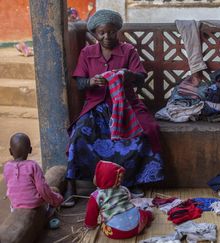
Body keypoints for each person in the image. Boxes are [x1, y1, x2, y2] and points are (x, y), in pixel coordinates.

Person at [64, 9, 164, 206]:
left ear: (117, 31)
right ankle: (71, 186)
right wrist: (92, 81)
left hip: (126, 104)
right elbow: (80, 83)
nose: (107, 36)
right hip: (97, 106)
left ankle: (132, 180)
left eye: (110, 32)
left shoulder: (128, 51)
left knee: (146, 130)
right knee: (79, 135)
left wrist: (128, 75)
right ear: (95, 34)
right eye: (101, 33)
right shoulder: (87, 53)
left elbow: (141, 80)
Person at [85, 160, 153, 239]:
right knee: (140, 212)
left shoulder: (95, 196)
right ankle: (148, 214)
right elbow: (128, 201)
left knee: (104, 224)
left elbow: (91, 215)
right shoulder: (123, 189)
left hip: (116, 232)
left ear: (101, 177)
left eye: (95, 175)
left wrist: (90, 225)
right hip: (137, 226)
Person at [3, 133, 63, 212]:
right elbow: (42, 188)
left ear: (10, 151)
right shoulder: (33, 165)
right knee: (53, 193)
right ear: (30, 150)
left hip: (15, 205)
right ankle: (49, 214)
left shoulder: (7, 166)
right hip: (34, 204)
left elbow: (9, 185)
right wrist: (57, 200)